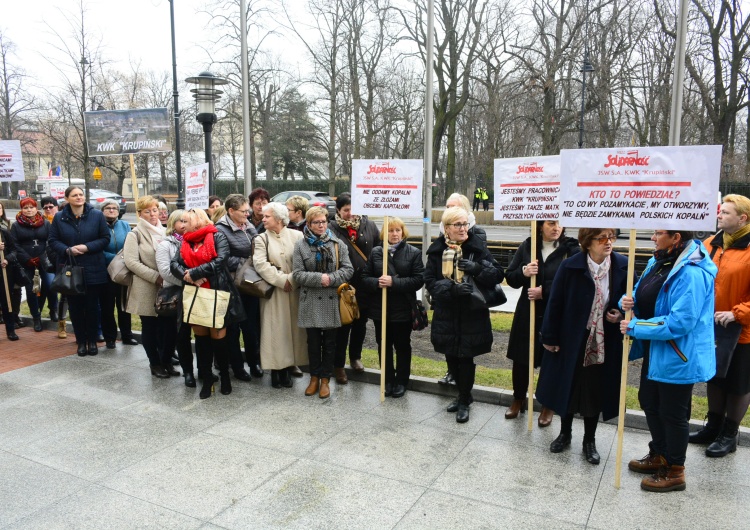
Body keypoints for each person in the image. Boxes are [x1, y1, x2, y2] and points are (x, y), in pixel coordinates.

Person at [620, 230, 716, 492]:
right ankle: (659, 453)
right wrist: (628, 301)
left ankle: (675, 470)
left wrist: (636, 327)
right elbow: (643, 295)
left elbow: (681, 321)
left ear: (676, 238)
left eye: (658, 233)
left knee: (672, 413)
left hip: (679, 354)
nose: (652, 238)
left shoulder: (692, 273)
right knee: (649, 401)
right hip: (658, 349)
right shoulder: (658, 261)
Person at [537, 228, 628, 465]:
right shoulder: (571, 266)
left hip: (603, 341)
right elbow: (555, 303)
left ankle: (590, 440)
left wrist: (618, 314)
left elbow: (629, 300)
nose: (608, 243)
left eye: (611, 237)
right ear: (588, 243)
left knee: (594, 391)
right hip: (571, 338)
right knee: (567, 386)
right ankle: (565, 433)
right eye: (602, 238)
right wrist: (549, 336)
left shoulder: (622, 265)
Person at [424, 206, 504, 423]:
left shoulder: (477, 248)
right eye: (458, 224)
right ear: (447, 228)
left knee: (466, 357)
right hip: (447, 313)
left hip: (471, 314)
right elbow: (430, 282)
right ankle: (463, 396)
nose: (463, 228)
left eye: (465, 223)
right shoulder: (437, 250)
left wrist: (477, 268)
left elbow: (497, 274)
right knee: (451, 356)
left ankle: (464, 399)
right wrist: (452, 289)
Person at [689, 194, 750, 457]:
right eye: (720, 211)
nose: (719, 215)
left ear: (742, 218)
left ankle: (729, 433)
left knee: (737, 383)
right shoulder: (710, 244)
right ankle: (712, 427)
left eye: (725, 212)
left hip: (742, 331)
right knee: (714, 377)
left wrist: (738, 313)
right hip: (710, 327)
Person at [505, 221, 580, 425]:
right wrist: (523, 272)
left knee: (551, 359)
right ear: (539, 226)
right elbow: (510, 278)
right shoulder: (528, 245)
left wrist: (544, 291)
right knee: (522, 358)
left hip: (555, 313)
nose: (557, 227)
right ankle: (518, 399)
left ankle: (548, 405)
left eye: (561, 223)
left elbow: (574, 282)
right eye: (551, 223)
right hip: (527, 311)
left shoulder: (571, 249)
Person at [171, 208, 246, 399]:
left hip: (216, 291)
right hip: (195, 294)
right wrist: (187, 276)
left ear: (197, 221)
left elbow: (221, 260)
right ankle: (206, 379)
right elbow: (175, 264)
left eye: (185, 221)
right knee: (202, 340)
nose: (182, 225)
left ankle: (225, 378)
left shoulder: (217, 236)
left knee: (219, 339)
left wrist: (195, 273)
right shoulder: (185, 240)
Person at [292, 206, 354, 399]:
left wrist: (331, 279)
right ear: (308, 224)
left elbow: (348, 269)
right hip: (310, 299)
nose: (321, 225)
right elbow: (298, 274)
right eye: (316, 222)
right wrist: (320, 279)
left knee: (330, 343)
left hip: (331, 299)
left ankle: (326, 379)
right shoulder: (301, 246)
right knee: (313, 342)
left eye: (324, 222)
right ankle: (314, 378)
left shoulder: (338, 244)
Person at [361, 217, 424, 397]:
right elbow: (365, 277)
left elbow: (418, 279)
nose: (394, 234)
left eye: (398, 230)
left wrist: (394, 282)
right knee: (383, 345)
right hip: (380, 310)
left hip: (403, 309)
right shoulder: (376, 252)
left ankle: (402, 381)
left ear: (403, 232)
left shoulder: (413, 253)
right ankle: (387, 379)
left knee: (403, 345)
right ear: (384, 233)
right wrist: (377, 282)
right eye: (390, 230)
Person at [48, 186, 111, 356]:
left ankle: (92, 341)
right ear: (67, 199)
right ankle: (81, 341)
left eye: (81, 194)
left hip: (93, 267)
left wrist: (87, 247)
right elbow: (52, 240)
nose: (78, 197)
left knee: (92, 307)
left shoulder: (96, 215)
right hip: (70, 268)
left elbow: (105, 238)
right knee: (75, 308)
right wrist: (67, 250)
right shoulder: (60, 217)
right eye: (74, 195)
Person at [253, 202, 308, 388]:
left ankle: (289, 368)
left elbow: (304, 261)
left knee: (292, 331)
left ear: (278, 218)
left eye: (267, 216)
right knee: (275, 331)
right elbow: (260, 265)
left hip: (294, 292)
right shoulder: (261, 238)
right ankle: (276, 371)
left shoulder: (298, 235)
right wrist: (281, 280)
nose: (263, 219)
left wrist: (291, 280)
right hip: (273, 293)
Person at [437, 193, 487, 386]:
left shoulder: (476, 234)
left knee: (466, 349)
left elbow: (490, 268)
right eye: (447, 206)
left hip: (468, 301)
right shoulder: (442, 235)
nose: (449, 210)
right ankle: (451, 373)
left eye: (454, 206)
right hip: (448, 299)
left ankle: (464, 392)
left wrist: (474, 269)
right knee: (448, 341)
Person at [329, 192, 380, 381]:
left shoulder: (370, 225)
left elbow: (378, 250)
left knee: (360, 325)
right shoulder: (331, 229)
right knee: (343, 326)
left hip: (365, 286)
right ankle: (338, 365)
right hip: (343, 287)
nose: (350, 213)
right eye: (346, 210)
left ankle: (355, 357)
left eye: (354, 209)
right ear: (338, 211)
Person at [124, 196, 176, 377]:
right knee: (151, 328)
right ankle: (155, 364)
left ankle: (167, 360)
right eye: (148, 211)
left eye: (155, 210)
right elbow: (131, 262)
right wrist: (155, 277)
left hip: (167, 288)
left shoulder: (166, 232)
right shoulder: (135, 234)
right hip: (146, 287)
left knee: (168, 327)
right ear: (139, 214)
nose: (153, 214)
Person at [214, 194, 262, 381]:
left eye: (247, 210)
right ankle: (237, 366)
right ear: (231, 211)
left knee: (251, 327)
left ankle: (254, 362)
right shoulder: (220, 230)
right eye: (243, 211)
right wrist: (249, 263)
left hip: (251, 285)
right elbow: (223, 258)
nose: (247, 214)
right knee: (233, 329)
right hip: (232, 286)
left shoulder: (248, 226)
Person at [157, 209, 199, 387]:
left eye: (186, 221)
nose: (184, 225)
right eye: (180, 221)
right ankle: (176, 365)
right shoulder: (165, 245)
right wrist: (188, 280)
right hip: (175, 293)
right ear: (172, 223)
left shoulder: (197, 241)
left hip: (195, 293)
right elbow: (165, 271)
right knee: (175, 334)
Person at [100, 199, 137, 349]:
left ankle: (127, 335)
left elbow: (130, 244)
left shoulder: (125, 225)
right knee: (107, 307)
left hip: (123, 271)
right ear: (102, 211)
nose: (111, 210)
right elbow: (97, 247)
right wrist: (114, 259)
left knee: (123, 306)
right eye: (108, 208)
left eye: (114, 208)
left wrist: (124, 259)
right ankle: (110, 338)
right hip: (106, 271)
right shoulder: (99, 226)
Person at [11, 198, 52, 332]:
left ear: (36, 208)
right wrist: (27, 258)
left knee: (49, 285)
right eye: (25, 208)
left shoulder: (45, 223)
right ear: (21, 210)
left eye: (31, 207)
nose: (29, 210)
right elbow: (15, 244)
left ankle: (53, 310)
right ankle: (36, 317)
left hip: (44, 260)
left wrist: (42, 256)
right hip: (27, 262)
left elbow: (50, 241)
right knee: (31, 290)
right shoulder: (16, 225)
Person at [40, 197, 63, 333]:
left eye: (51, 206)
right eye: (45, 207)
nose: (48, 209)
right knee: (50, 284)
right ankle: (52, 309)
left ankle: (58, 312)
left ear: (57, 206)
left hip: (61, 258)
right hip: (46, 259)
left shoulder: (61, 219)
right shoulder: (41, 222)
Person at [0, 226, 20, 340]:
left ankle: (10, 329)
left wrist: (7, 259)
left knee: (7, 301)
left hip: (4, 272)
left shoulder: (4, 232)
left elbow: (14, 250)